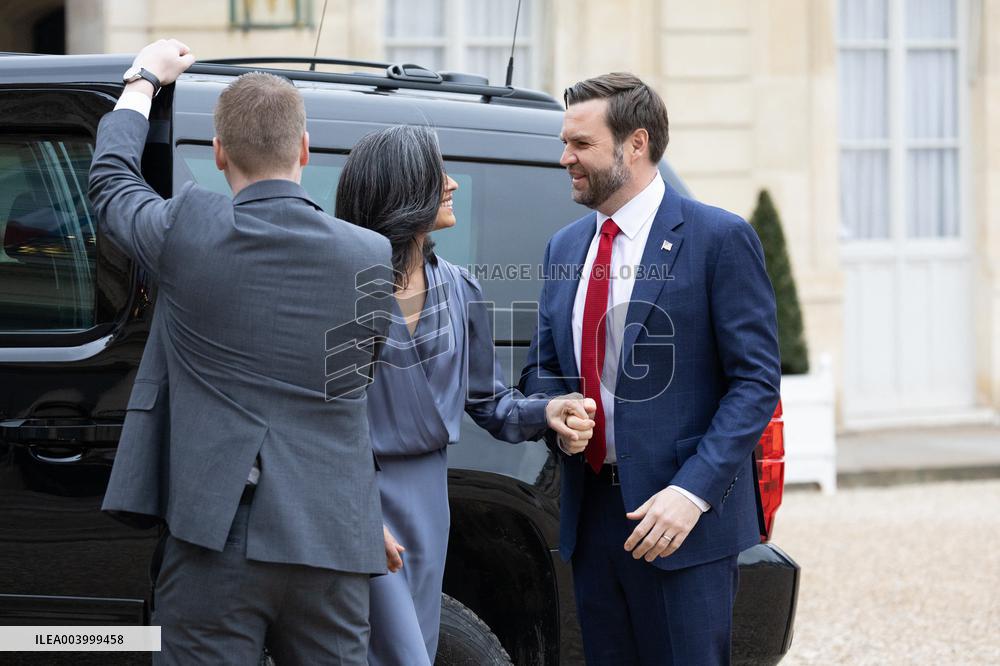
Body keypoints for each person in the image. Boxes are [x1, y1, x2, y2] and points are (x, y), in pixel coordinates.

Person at [91, 39, 396, 664]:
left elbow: (111, 185)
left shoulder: (188, 228)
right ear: (304, 149)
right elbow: (354, 382)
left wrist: (143, 81)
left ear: (219, 152)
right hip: (332, 537)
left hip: (217, 537)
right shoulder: (370, 253)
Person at [519, 72, 781, 665]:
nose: (565, 158)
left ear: (635, 144)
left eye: (581, 144)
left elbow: (756, 382)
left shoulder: (719, 238)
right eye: (565, 143)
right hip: (592, 522)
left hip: (683, 525)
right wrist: (555, 408)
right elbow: (543, 368)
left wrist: (692, 493)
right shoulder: (564, 247)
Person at [333, 125, 596, 666]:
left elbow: (490, 402)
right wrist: (352, 509)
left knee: (418, 645)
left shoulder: (460, 287)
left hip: (429, 505)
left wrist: (548, 409)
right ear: (402, 188)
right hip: (356, 495)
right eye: (438, 174)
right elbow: (315, 416)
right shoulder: (340, 288)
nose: (452, 184)